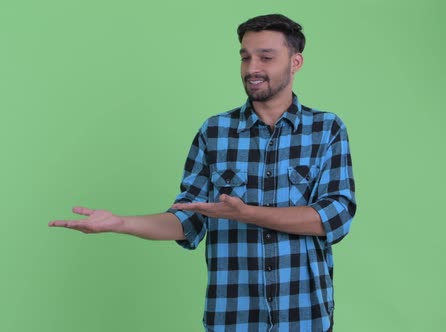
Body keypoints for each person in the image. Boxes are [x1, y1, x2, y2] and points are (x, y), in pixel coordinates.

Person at [50, 13, 356, 332]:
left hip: (305, 317)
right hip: (232, 318)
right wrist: (121, 223)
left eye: (266, 57)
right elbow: (189, 218)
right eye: (245, 57)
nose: (252, 68)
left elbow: (335, 216)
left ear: (295, 62)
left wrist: (247, 213)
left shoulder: (326, 129)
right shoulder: (215, 132)